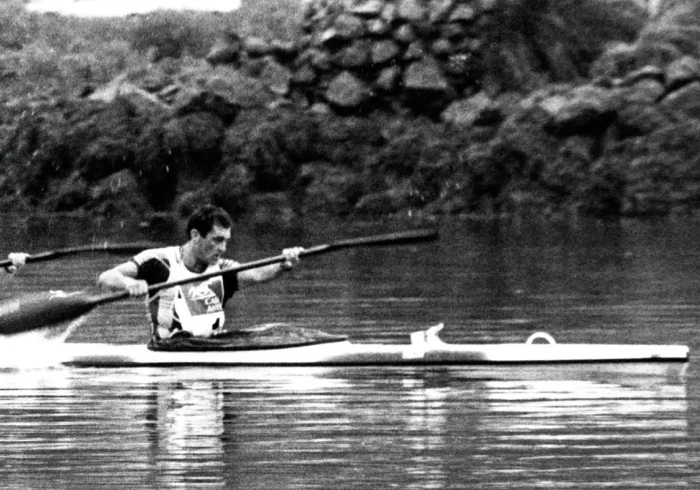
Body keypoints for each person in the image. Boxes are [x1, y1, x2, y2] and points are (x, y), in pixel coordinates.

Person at [97, 205, 304, 341]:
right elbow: (106, 278)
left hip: (211, 353)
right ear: (195, 235)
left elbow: (257, 274)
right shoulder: (159, 261)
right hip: (169, 361)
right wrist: (128, 284)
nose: (223, 249)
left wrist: (284, 263)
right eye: (217, 240)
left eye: (226, 241)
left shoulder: (223, 269)